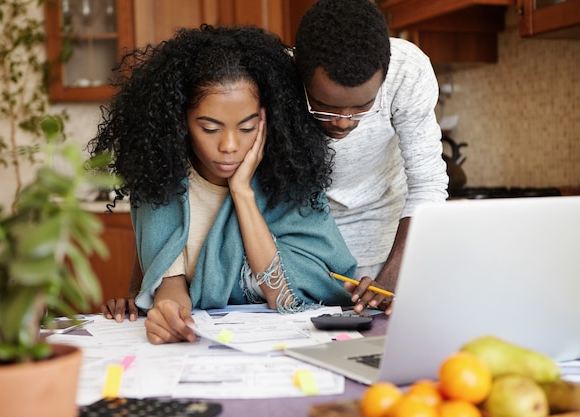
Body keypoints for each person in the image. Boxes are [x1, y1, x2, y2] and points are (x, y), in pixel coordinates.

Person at [88, 24, 358, 343]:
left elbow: (284, 296)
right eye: (210, 128)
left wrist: (242, 192)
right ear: (181, 120)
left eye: (247, 128)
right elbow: (170, 282)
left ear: (270, 120)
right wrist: (168, 313)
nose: (229, 145)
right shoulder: (161, 178)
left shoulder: (290, 178)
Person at [293, 0, 448, 314]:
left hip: (386, 237)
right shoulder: (278, 75)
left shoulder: (406, 71)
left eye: (362, 106)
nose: (343, 121)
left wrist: (396, 271)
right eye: (326, 106)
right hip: (300, 242)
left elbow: (428, 185)